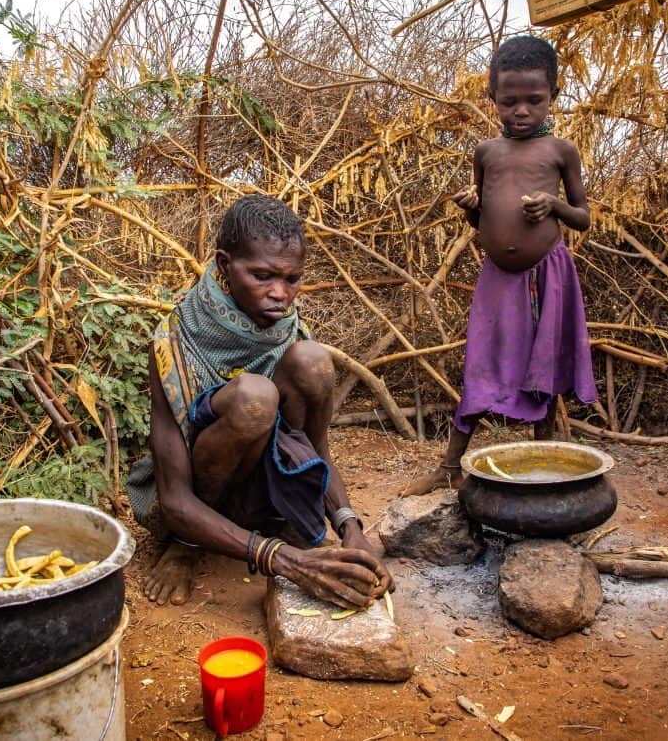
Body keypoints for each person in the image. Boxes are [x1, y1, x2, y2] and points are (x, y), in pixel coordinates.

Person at [127, 194, 393, 609]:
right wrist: (287, 562)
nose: (280, 295)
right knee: (254, 398)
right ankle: (186, 546)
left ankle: (278, 515)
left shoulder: (287, 331)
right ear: (223, 266)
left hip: (265, 494)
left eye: (292, 279)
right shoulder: (175, 342)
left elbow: (314, 449)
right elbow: (174, 498)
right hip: (195, 500)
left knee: (314, 362)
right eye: (263, 276)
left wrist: (349, 527)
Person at [404, 35, 598, 497]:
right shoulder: (486, 153)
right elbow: (482, 219)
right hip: (498, 279)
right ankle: (451, 465)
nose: (522, 111)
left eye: (535, 100)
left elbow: (583, 217)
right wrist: (469, 206)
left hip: (547, 276)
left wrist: (552, 205)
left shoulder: (561, 151)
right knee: (481, 364)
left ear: (553, 95)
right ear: (493, 99)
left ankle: (546, 462)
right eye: (509, 101)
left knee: (543, 368)